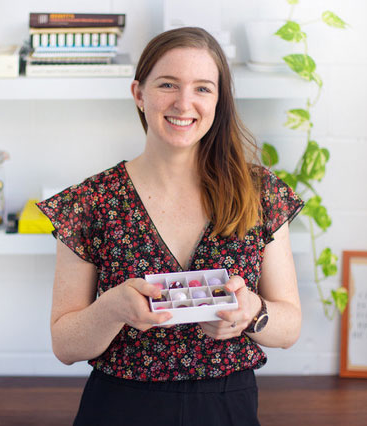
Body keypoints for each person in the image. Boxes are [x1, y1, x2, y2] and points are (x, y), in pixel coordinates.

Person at [37, 26, 304, 426]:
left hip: (227, 405)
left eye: (202, 88)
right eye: (167, 84)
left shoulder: (259, 193)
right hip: (119, 406)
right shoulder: (92, 202)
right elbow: (65, 344)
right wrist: (112, 308)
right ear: (139, 94)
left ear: (218, 101)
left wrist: (251, 311)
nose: (184, 103)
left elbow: (289, 328)